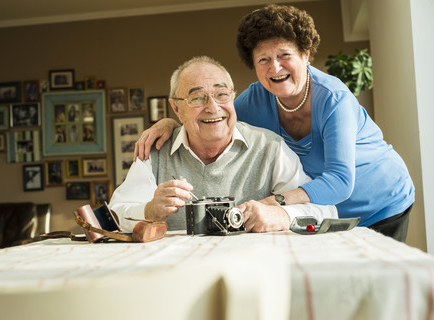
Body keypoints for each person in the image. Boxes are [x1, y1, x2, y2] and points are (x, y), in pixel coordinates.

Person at [133, 4, 414, 242]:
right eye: (264, 60)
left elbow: (340, 182)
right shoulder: (254, 100)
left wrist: (273, 202)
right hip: (326, 213)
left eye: (284, 56)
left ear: (305, 55)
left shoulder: (333, 98)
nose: (275, 68)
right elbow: (213, 117)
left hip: (381, 202)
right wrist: (171, 123)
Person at [109, 56, 337, 233]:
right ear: (177, 109)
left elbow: (326, 212)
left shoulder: (270, 148)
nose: (213, 107)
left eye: (222, 94)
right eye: (197, 98)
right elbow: (113, 218)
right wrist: (149, 210)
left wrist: (282, 216)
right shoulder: (155, 151)